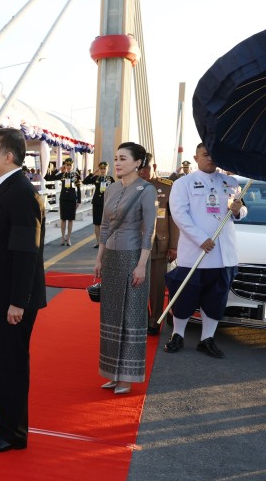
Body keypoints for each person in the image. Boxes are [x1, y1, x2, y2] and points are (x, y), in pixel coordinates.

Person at [0, 128, 46, 452]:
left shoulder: (21, 193)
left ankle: (13, 433)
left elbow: (26, 252)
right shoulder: (4, 188)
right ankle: (3, 423)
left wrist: (18, 301)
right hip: (1, 295)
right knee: (2, 362)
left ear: (9, 156)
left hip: (13, 300)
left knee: (12, 365)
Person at [163, 143, 246, 358]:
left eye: (213, 155)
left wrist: (238, 210)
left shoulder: (231, 182)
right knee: (184, 297)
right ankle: (177, 335)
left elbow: (241, 210)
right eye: (205, 154)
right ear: (196, 157)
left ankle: (207, 339)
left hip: (224, 254)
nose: (210, 159)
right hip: (195, 253)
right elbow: (179, 215)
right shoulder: (183, 183)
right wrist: (200, 239)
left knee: (216, 299)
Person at [93, 142, 157, 395]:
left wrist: (141, 265)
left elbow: (148, 231)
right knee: (110, 315)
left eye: (123, 158)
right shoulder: (111, 188)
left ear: (138, 163)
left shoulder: (146, 190)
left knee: (131, 316)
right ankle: (111, 373)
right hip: (111, 257)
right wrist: (99, 258)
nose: (117, 163)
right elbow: (104, 226)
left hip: (133, 258)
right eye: (116, 158)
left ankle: (127, 377)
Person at [139, 156, 179, 336]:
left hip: (158, 244)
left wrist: (173, 245)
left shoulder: (167, 187)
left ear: (154, 166)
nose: (143, 172)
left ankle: (154, 320)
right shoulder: (131, 185)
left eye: (146, 167)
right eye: (140, 168)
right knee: (136, 284)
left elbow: (173, 218)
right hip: (135, 243)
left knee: (156, 286)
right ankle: (141, 317)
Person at [83, 161, 115, 248]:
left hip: (107, 202)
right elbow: (85, 181)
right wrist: (93, 173)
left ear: (108, 169)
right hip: (97, 202)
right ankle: (98, 241)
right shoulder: (96, 178)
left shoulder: (110, 179)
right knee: (97, 223)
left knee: (107, 223)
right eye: (101, 168)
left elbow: (114, 191)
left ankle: (106, 241)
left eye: (104, 168)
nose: (103, 170)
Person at [50, 157, 81, 246]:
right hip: (63, 198)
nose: (69, 166)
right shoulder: (62, 174)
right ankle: (63, 238)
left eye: (70, 165)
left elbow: (78, 188)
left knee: (70, 219)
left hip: (72, 199)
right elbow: (51, 177)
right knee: (63, 219)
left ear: (72, 166)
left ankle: (69, 238)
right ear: (65, 165)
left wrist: (78, 200)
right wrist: (59, 169)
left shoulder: (75, 175)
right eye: (67, 165)